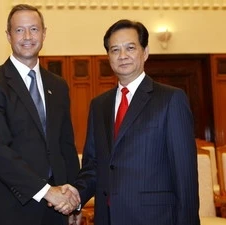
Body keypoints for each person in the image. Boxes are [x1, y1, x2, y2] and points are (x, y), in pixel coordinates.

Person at [73, 19, 200, 225]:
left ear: (145, 52)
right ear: (108, 57)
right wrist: (76, 198)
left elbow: (185, 175)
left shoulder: (170, 99)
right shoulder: (99, 105)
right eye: (115, 50)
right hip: (108, 218)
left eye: (130, 48)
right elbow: (93, 165)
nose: (122, 56)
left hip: (154, 219)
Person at [0, 4, 80, 225]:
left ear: (44, 33)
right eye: (19, 30)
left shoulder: (58, 85)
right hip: (11, 208)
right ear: (8, 36)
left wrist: (74, 200)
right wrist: (46, 190)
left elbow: (65, 145)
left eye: (34, 29)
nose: (27, 36)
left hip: (56, 208)